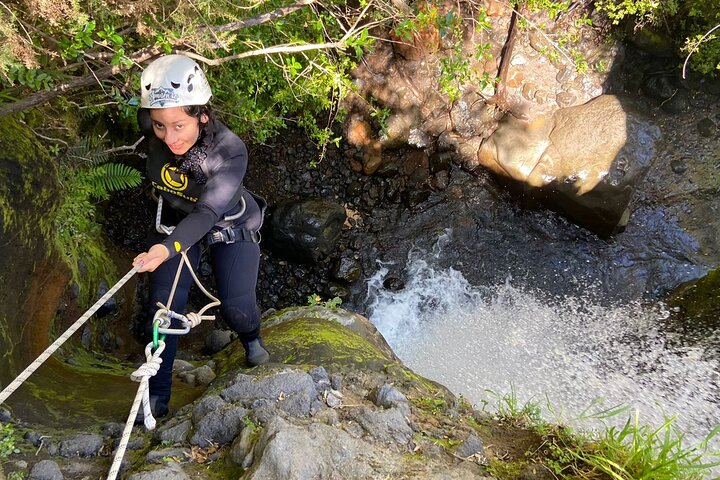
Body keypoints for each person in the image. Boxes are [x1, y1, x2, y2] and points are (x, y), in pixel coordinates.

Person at [132, 54, 270, 418]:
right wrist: (167, 246)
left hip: (228, 221)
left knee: (237, 309)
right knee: (162, 310)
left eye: (179, 125)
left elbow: (208, 212)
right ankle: (158, 396)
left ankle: (251, 339)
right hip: (176, 220)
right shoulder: (153, 124)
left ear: (201, 114)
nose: (170, 137)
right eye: (161, 126)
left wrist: (164, 250)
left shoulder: (229, 151)